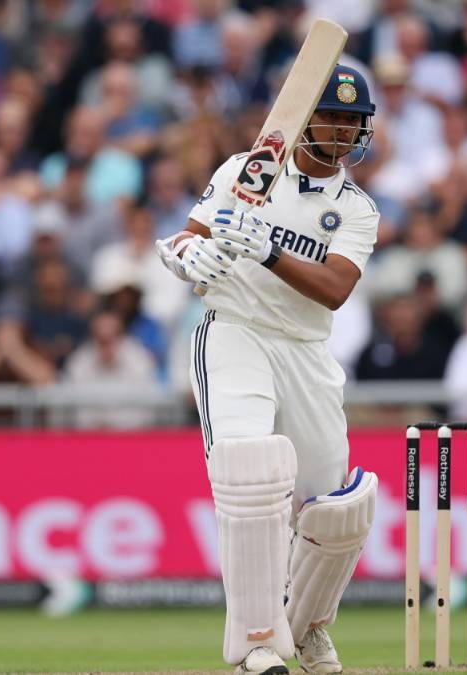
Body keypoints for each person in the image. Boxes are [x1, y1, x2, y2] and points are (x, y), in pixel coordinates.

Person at [154, 65, 380, 675]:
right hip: (235, 330)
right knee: (250, 474)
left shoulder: (357, 210)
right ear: (304, 120)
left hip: (307, 348)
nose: (342, 132)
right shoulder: (244, 171)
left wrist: (267, 249)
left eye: (352, 122)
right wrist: (183, 255)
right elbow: (190, 240)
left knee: (336, 510)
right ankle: (256, 642)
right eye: (332, 117)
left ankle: (305, 629)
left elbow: (334, 289)